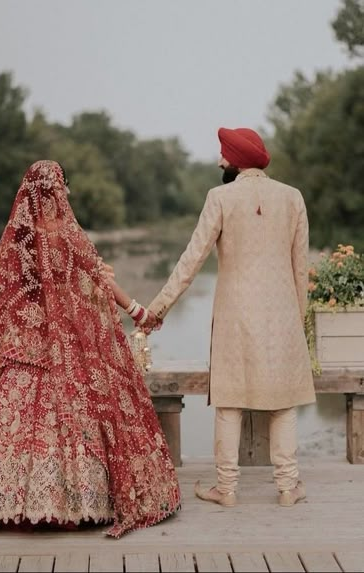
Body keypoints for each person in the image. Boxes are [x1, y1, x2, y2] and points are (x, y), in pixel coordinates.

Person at [0, 160, 180, 537]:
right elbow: (98, 279)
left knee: (9, 411)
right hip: (65, 344)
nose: (68, 193)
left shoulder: (19, 235)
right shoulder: (66, 234)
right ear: (55, 190)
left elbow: (12, 292)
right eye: (64, 185)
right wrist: (139, 312)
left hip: (25, 341)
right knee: (78, 405)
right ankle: (76, 499)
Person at [143, 128, 316, 508]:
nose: (220, 161)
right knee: (283, 402)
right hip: (283, 315)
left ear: (236, 161)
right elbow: (300, 268)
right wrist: (297, 321)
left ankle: (227, 488)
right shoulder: (292, 198)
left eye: (223, 155)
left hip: (235, 316)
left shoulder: (220, 197)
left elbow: (192, 260)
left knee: (229, 400)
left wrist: (157, 308)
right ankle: (288, 487)